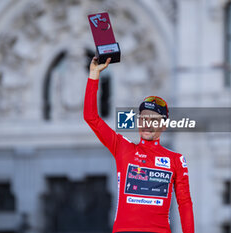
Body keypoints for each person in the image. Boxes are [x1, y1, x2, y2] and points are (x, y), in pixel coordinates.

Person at [83, 57, 194, 233]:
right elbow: (91, 117)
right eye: (143, 118)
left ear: (163, 125)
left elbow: (185, 202)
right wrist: (94, 75)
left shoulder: (176, 160)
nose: (147, 124)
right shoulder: (123, 147)